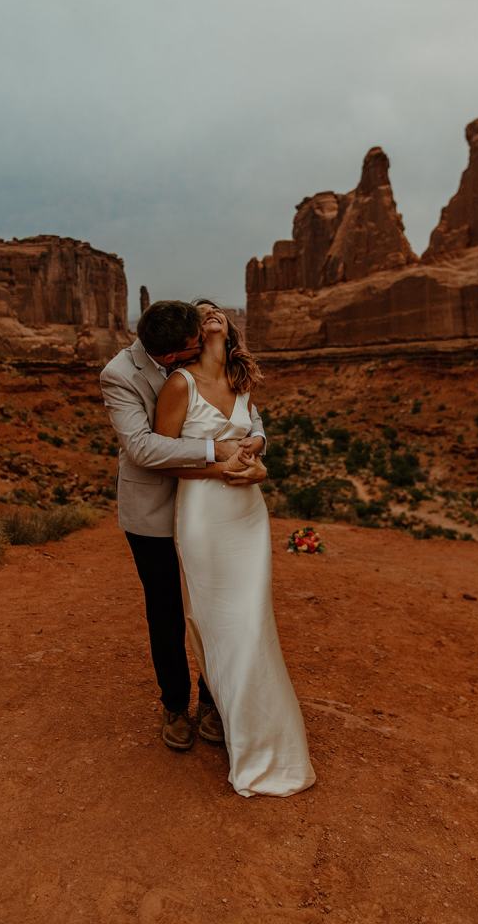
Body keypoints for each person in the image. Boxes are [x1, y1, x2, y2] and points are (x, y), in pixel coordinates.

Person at [154, 300, 316, 797]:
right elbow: (163, 456)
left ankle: (250, 730)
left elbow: (258, 429)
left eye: (215, 308)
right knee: (217, 619)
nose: (210, 312)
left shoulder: (241, 381)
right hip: (204, 514)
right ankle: (228, 720)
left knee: (252, 621)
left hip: (249, 514)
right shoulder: (179, 384)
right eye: (199, 311)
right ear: (192, 331)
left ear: (228, 325)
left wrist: (259, 457)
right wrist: (218, 469)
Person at [99, 300, 267, 752]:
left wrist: (257, 443)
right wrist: (219, 451)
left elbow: (245, 409)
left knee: (216, 606)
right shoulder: (119, 375)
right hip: (153, 510)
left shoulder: (200, 344)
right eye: (189, 348)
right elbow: (143, 449)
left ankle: (213, 700)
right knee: (166, 611)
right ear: (170, 354)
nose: (197, 348)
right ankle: (175, 704)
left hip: (210, 508)